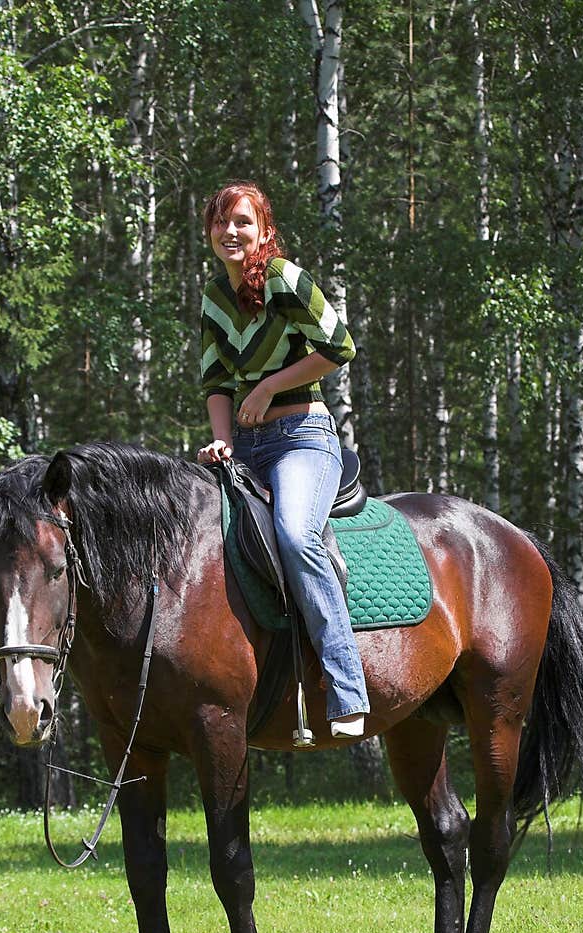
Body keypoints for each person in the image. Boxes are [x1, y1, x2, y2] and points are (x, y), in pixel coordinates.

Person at [196, 181, 370, 739]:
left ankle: (348, 689)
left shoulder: (284, 279)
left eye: (243, 221)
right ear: (209, 232)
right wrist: (221, 439)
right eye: (221, 222)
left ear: (264, 228)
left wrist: (269, 387)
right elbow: (216, 381)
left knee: (296, 535)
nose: (231, 232)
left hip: (302, 437)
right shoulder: (212, 297)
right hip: (243, 446)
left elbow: (338, 346)